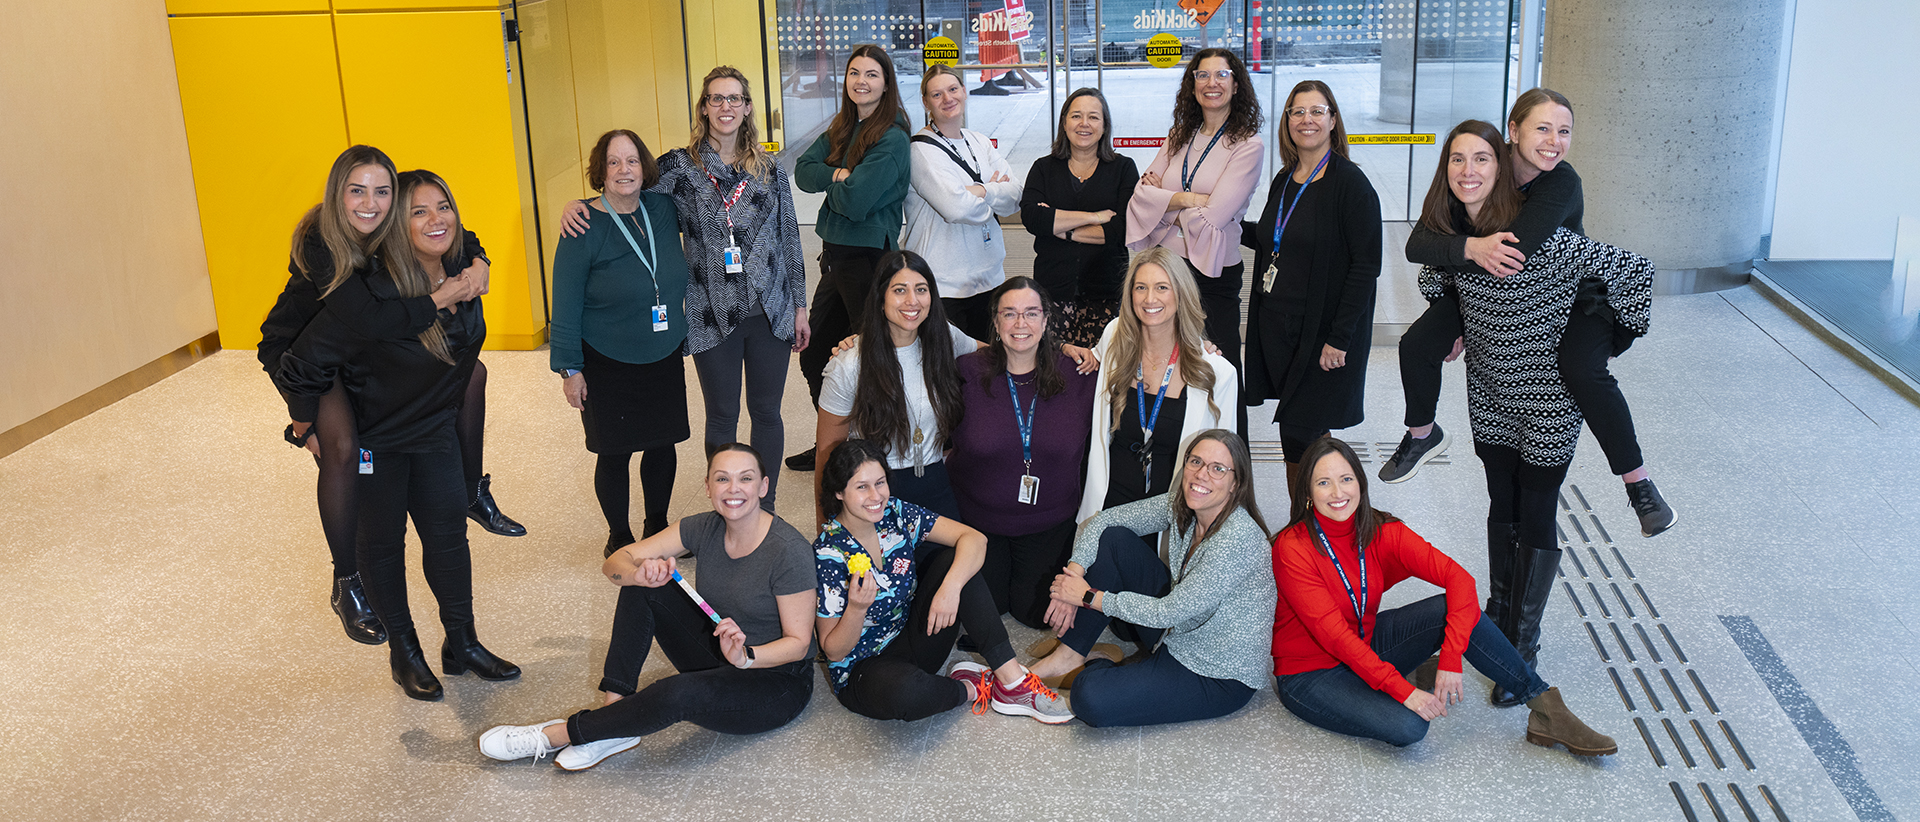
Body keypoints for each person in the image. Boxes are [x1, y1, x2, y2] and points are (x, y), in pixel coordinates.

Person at [1416, 120, 1653, 706]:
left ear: (1500, 168)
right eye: (1457, 162)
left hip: (1549, 395)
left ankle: (1523, 642)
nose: (1468, 172)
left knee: (1538, 504)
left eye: (1481, 161)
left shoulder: (1546, 237)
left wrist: (1596, 347)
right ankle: (1499, 614)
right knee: (1503, 500)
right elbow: (1430, 275)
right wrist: (1453, 316)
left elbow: (1634, 274)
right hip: (1491, 387)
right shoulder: (1458, 234)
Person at [258, 146, 519, 645]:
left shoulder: (387, 231)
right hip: (302, 352)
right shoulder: (322, 241)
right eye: (357, 191)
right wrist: (303, 420)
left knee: (474, 373)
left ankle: (472, 491)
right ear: (338, 193)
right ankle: (345, 580)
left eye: (382, 192)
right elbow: (369, 323)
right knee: (342, 448)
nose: (370, 203)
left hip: (347, 344)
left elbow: (452, 228)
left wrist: (480, 259)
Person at [1387, 88, 1675, 539]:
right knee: (1418, 343)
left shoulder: (1561, 181)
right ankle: (1422, 433)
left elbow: (1512, 251)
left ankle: (1638, 483)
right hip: (1487, 287)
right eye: (1543, 128)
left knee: (1581, 369)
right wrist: (1466, 250)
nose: (1553, 141)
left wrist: (1468, 247)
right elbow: (1418, 244)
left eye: (1564, 131)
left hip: (1571, 293)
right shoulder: (1483, 162)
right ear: (1514, 132)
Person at [477, 445, 817, 770]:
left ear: (763, 486)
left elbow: (799, 643)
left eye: (746, 478)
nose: (733, 489)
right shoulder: (702, 526)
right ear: (708, 486)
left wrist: (747, 658)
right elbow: (615, 563)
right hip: (721, 648)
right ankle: (614, 720)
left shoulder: (788, 550)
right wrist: (637, 573)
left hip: (773, 679)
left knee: (678, 692)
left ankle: (557, 734)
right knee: (642, 585)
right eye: (722, 478)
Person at [559, 68, 808, 511]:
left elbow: (789, 237)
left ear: (748, 107)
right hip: (712, 314)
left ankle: (762, 511)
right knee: (723, 417)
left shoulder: (769, 169)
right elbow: (625, 190)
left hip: (771, 309)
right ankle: (727, 509)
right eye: (716, 99)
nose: (726, 107)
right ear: (704, 108)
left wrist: (800, 307)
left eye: (734, 98)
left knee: (767, 413)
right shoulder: (679, 167)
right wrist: (581, 203)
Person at [1270, 437, 1616, 755]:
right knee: (1410, 726)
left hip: (1368, 640)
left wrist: (1451, 658)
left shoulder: (1380, 530)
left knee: (1457, 606)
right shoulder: (1293, 548)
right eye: (1323, 482)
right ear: (1307, 493)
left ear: (1360, 483)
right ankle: (1406, 676)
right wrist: (1403, 692)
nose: (1337, 492)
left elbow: (1459, 578)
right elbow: (1336, 638)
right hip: (1313, 674)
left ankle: (1543, 707)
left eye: (1346, 479)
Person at [1028, 430, 1274, 728]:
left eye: (1218, 469)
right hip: (1176, 634)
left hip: (1216, 674)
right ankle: (1070, 655)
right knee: (1115, 540)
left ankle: (1099, 664)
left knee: (1089, 698)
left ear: (1236, 483)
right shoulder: (1182, 504)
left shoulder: (1238, 539)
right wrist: (1074, 575)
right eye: (1195, 462)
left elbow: (1167, 611)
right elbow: (1104, 521)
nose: (1201, 475)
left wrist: (1087, 596)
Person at [812, 439, 1070, 723]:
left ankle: (1011, 681)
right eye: (862, 487)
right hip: (864, 670)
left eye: (881, 482)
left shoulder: (895, 514)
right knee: (907, 694)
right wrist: (857, 609)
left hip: (913, 639)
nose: (876, 496)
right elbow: (834, 651)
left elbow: (975, 539)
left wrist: (951, 588)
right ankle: (972, 687)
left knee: (955, 562)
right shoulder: (828, 552)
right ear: (839, 492)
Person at [550, 129, 693, 556]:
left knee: (661, 442)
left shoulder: (663, 208)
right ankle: (618, 532)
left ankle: (656, 524)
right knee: (613, 451)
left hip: (663, 351)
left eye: (632, 160)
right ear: (601, 170)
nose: (624, 170)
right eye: (613, 162)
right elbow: (566, 299)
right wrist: (569, 368)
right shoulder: (582, 225)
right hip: (606, 356)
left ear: (644, 166)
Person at [1241, 80, 1382, 498]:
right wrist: (1213, 222)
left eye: (1317, 111)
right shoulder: (1286, 178)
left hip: (1321, 335)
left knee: (1306, 433)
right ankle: (1310, 528)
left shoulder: (1350, 185)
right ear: (1287, 122)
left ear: (1333, 120)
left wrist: (1340, 339)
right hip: (1280, 329)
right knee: (1297, 433)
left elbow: (1365, 267)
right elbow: (1274, 238)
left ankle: (1315, 526)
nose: (1307, 120)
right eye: (1297, 112)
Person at [789, 44, 914, 473]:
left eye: (872, 74)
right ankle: (837, 439)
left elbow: (858, 203)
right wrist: (840, 174)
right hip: (837, 257)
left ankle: (873, 451)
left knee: (868, 360)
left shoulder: (892, 136)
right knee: (816, 354)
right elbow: (803, 171)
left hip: (868, 261)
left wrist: (840, 183)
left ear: (886, 83)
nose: (861, 81)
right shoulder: (844, 125)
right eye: (855, 73)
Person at [1125, 47, 1263, 433]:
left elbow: (1217, 216)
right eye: (1202, 75)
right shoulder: (1178, 136)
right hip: (1168, 270)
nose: (1211, 83)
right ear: (1192, 84)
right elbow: (1139, 198)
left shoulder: (1248, 144)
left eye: (1221, 75)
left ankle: (1234, 476)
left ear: (1236, 85)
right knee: (1171, 365)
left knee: (1220, 371)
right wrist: (1189, 201)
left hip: (1212, 275)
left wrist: (1164, 204)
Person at [948, 277, 1098, 628]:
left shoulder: (1080, 374)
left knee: (1037, 617)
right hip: (977, 524)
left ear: (1046, 321)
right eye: (1010, 314)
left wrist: (1202, 347)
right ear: (996, 322)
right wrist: (856, 342)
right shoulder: (966, 371)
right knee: (982, 616)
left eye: (1031, 313)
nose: (1021, 324)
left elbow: (1138, 358)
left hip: (1050, 520)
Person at [813, 250, 976, 529]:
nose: (912, 301)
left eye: (921, 290)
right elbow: (827, 454)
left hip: (936, 485)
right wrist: (826, 527)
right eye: (900, 290)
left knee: (963, 569)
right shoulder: (849, 364)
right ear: (880, 298)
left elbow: (999, 356)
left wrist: (1061, 351)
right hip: (875, 493)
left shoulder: (944, 338)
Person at [1077, 246, 1237, 524]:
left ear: (1181, 293)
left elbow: (1225, 462)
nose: (1150, 298)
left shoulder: (1217, 372)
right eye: (1141, 287)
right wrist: (1067, 348)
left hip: (1172, 514)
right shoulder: (1115, 336)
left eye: (1162, 287)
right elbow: (1087, 361)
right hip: (1109, 507)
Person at [903, 63, 1022, 342]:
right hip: (944, 286)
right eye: (937, 94)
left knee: (985, 371)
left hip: (989, 278)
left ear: (965, 92)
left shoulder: (979, 141)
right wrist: (994, 190)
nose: (948, 99)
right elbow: (955, 208)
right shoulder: (920, 150)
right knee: (948, 374)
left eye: (953, 89)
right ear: (925, 102)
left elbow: (1015, 196)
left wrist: (978, 191)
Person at [1020, 87, 1138, 347]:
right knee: (1055, 375)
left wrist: (1060, 227)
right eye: (1076, 116)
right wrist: (1094, 217)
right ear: (1064, 123)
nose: (1084, 124)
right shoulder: (1043, 168)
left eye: (1094, 117)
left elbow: (1121, 230)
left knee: (1103, 374)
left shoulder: (1123, 168)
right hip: (1052, 294)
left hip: (1107, 294)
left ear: (1105, 125)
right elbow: (1032, 218)